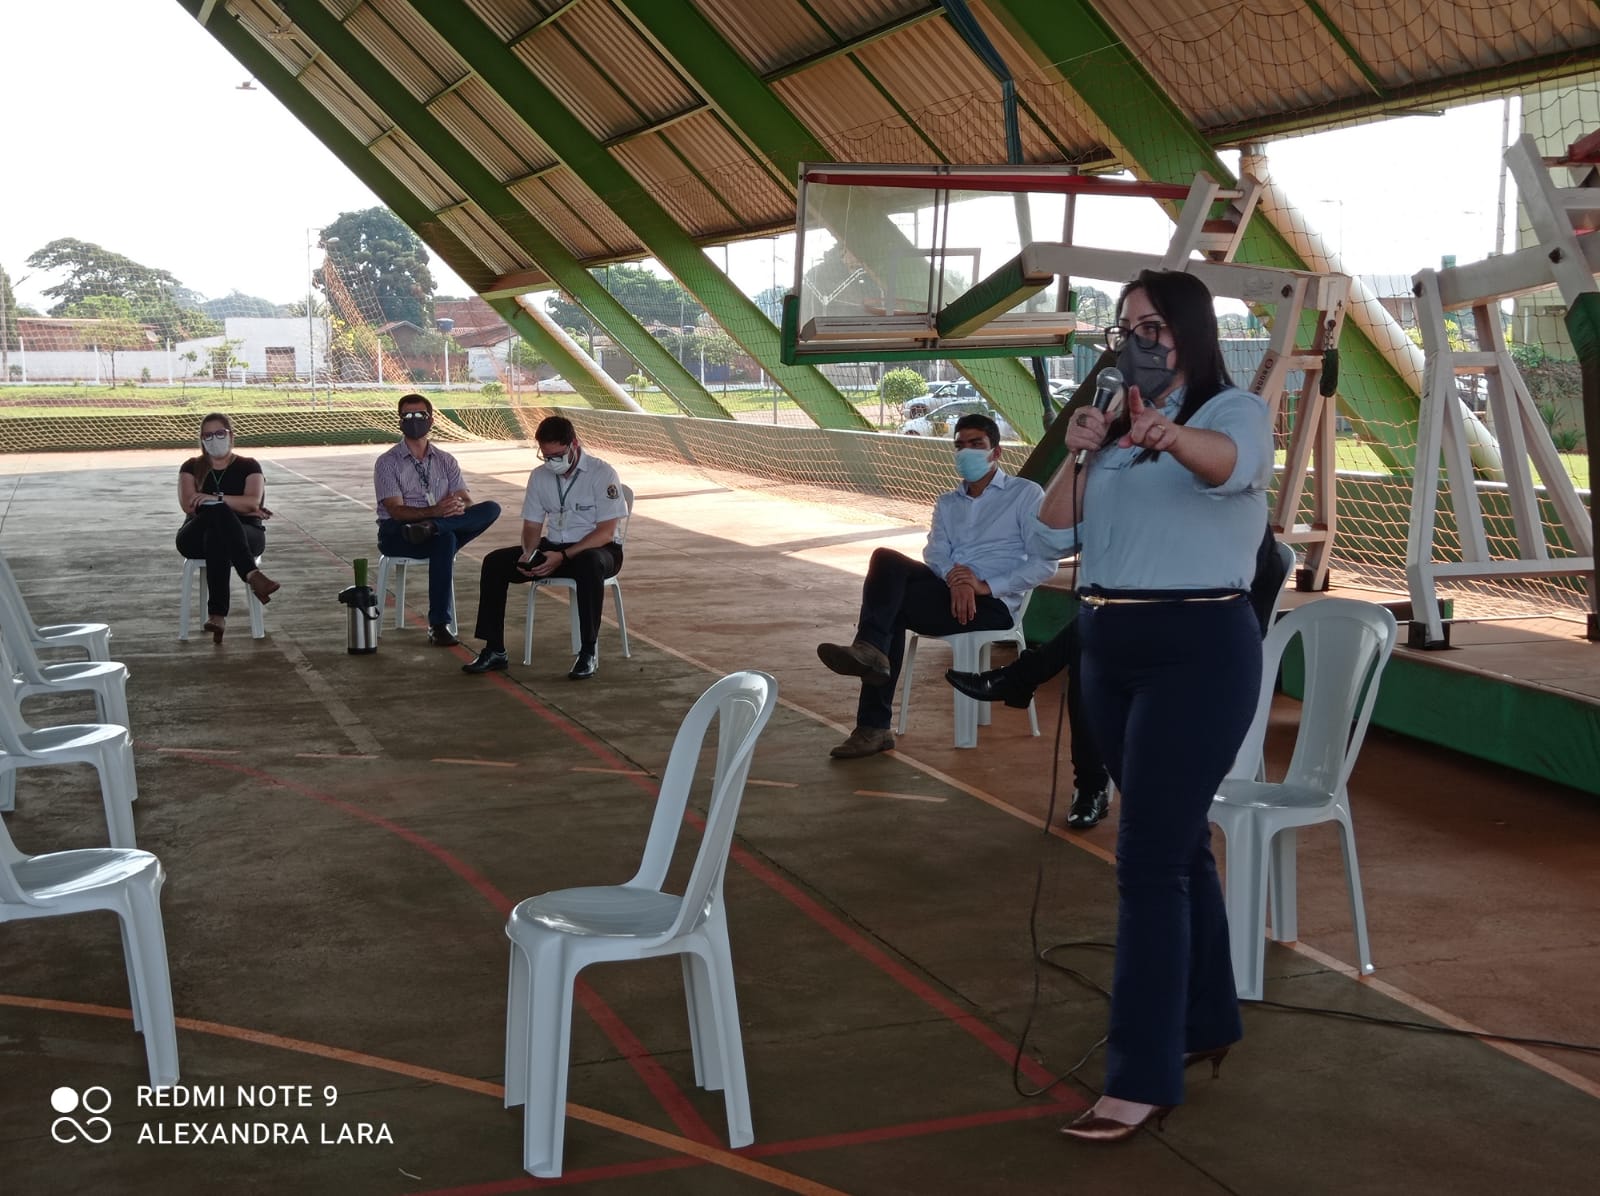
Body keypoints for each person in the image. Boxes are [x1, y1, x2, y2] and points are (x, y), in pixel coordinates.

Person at [1038, 269, 1272, 1142]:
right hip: (1110, 645)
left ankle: (1141, 1073)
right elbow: (1051, 531)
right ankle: (1206, 1019)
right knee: (1174, 845)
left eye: (1156, 324)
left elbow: (1232, 470)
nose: (1140, 338)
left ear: (1190, 332)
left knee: (1145, 861)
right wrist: (1082, 447)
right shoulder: (1114, 434)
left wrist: (1168, 434)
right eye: (1129, 324)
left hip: (1198, 648)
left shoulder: (1227, 413)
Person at [944, 519, 1289, 830]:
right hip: (1177, 632)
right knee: (1090, 647)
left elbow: (1214, 602)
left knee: (1098, 631)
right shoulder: (1187, 519)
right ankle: (1090, 786)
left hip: (1221, 645)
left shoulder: (1238, 518)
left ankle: (1024, 682)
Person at [816, 413, 1060, 759]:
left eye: (977, 444)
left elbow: (1044, 564)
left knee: (892, 611)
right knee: (886, 559)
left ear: (996, 452)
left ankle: (873, 724)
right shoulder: (947, 503)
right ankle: (869, 655)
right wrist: (957, 579)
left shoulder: (1025, 495)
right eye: (960, 445)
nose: (967, 452)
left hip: (993, 606)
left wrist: (982, 586)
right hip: (950, 596)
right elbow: (935, 552)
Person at [461, 416, 627, 680]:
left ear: (574, 444)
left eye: (558, 455)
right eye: (546, 456)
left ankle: (587, 652)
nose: (552, 462)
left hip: (598, 549)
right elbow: (532, 525)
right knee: (495, 562)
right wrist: (529, 552)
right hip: (553, 548)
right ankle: (494, 649)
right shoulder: (540, 477)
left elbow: (606, 532)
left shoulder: (602, 473)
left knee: (589, 564)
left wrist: (562, 557)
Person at [374, 394, 501, 645]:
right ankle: (439, 625)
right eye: (407, 416)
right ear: (399, 422)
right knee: (447, 539)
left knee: (491, 509)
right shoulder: (387, 463)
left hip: (436, 525)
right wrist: (436, 511)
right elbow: (397, 511)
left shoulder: (446, 460)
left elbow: (466, 502)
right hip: (399, 533)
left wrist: (448, 511)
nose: (413, 421)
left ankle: (433, 529)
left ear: (431, 420)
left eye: (419, 415)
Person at [176, 413, 280, 644]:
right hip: (194, 534)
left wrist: (211, 499)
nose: (214, 439)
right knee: (219, 513)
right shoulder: (191, 467)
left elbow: (253, 501)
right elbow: (189, 505)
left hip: (246, 534)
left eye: (219, 433)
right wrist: (236, 505)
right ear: (202, 440)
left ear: (231, 435)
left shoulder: (248, 465)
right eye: (208, 435)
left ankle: (218, 615)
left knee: (217, 533)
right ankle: (252, 574)